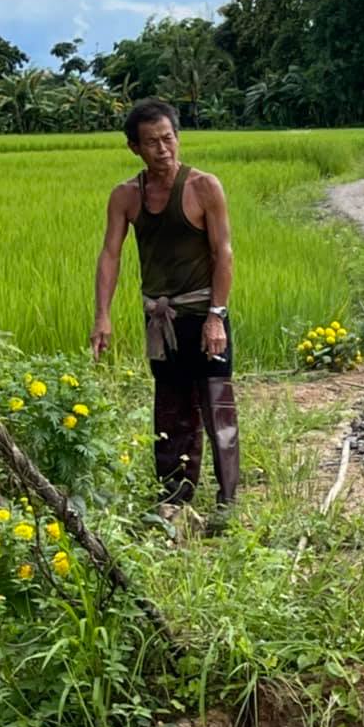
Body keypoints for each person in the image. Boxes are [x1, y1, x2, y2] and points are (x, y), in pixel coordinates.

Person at [91, 98, 240, 511]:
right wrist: (102, 315)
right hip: (161, 320)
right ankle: (175, 500)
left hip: (203, 315)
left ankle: (228, 502)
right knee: (171, 410)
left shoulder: (203, 187)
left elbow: (222, 254)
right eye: (152, 142)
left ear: (178, 136)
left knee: (217, 407)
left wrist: (217, 316)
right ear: (133, 147)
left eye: (168, 138)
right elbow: (110, 255)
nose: (163, 149)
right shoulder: (126, 196)